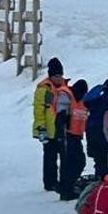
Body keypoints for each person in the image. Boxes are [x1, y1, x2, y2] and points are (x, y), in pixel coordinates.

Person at [33, 59, 68, 191]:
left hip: (62, 128)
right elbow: (39, 110)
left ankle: (63, 180)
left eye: (60, 76)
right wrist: (41, 128)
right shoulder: (46, 89)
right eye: (56, 76)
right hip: (49, 129)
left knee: (65, 156)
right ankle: (50, 182)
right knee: (50, 158)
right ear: (51, 76)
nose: (59, 79)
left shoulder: (64, 87)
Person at [57, 79, 90, 201]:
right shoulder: (66, 96)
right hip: (66, 135)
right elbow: (61, 115)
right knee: (68, 163)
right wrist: (60, 133)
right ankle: (66, 190)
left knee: (79, 162)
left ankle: (68, 186)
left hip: (76, 136)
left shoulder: (81, 101)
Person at [83, 78, 108, 178]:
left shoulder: (97, 99)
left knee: (100, 162)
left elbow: (86, 102)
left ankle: (100, 183)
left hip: (93, 131)